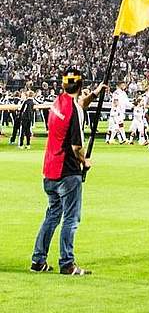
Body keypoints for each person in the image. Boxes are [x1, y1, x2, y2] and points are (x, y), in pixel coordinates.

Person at [31, 67, 98, 275]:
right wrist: (84, 161)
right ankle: (67, 264)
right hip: (67, 172)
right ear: (81, 85)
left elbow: (77, 106)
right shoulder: (74, 110)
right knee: (71, 218)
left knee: (52, 215)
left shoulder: (57, 103)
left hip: (49, 170)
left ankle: (38, 260)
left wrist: (95, 94)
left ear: (63, 85)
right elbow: (76, 147)